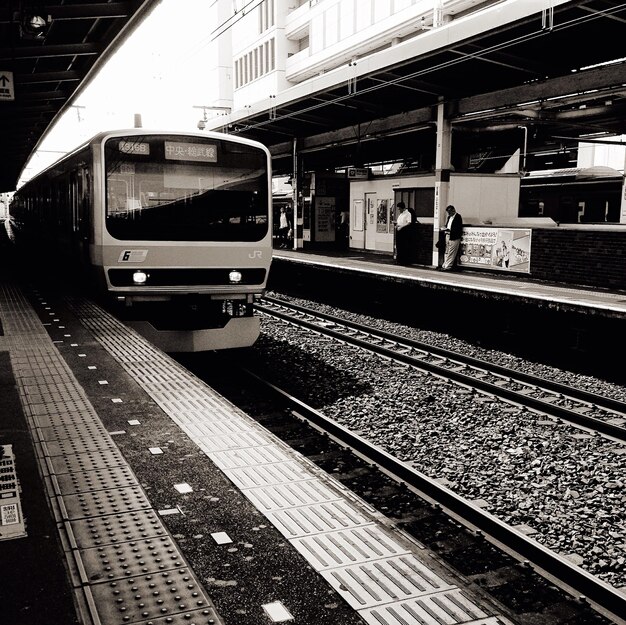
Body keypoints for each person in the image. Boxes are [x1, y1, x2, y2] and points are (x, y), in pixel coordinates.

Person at [441, 204, 463, 270]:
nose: (449, 213)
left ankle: (448, 266)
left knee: (452, 252)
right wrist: (445, 228)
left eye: (450, 212)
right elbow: (448, 225)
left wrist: (449, 230)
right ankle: (444, 265)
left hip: (454, 236)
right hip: (448, 235)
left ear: (453, 210)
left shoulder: (458, 217)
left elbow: (458, 228)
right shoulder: (449, 217)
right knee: (447, 251)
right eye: (448, 212)